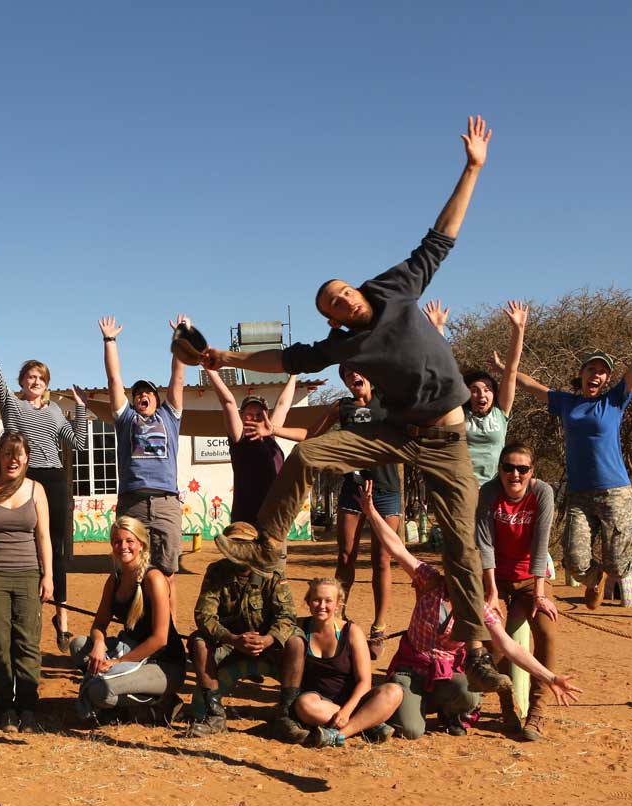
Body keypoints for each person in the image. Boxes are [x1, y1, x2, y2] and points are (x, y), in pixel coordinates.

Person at [200, 116, 523, 690]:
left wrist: (472, 168)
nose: (344, 299)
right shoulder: (341, 344)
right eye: (334, 302)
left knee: (460, 545)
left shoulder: (395, 287)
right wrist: (228, 358)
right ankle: (268, 543)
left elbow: (440, 239)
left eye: (343, 290)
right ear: (332, 319)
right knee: (309, 454)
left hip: (447, 438)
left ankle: (474, 648)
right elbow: (289, 359)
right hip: (397, 432)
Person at [355, 482, 580, 739]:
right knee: (411, 730)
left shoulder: (478, 606)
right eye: (456, 570)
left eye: (467, 573)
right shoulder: (429, 581)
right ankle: (401, 705)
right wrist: (371, 512)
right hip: (413, 668)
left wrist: (550, 678)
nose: (460, 578)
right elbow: (396, 547)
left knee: (469, 694)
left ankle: (447, 711)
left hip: (446, 673)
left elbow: (510, 647)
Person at [512, 291, 632, 609]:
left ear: (606, 379)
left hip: (614, 491)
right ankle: (596, 579)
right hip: (579, 494)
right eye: (591, 369)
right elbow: (529, 385)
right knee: (575, 563)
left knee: (620, 566)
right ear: (582, 373)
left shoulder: (614, 401)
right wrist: (505, 368)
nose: (596, 374)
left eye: (602, 371)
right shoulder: (566, 402)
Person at [0, 298, 89, 647]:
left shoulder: (55, 412)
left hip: (54, 479)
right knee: (27, 543)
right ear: (21, 381)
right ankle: (27, 605)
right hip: (22, 480)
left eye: (41, 378)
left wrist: (80, 408)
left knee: (56, 548)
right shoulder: (12, 404)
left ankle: (61, 615)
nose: (36, 381)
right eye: (30, 376)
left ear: (47, 384)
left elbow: (78, 443)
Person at [186, 522, 306, 740]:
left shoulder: (273, 573)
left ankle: (286, 716)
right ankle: (214, 716)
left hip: (268, 646)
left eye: (245, 545)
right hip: (229, 644)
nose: (239, 551)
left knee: (296, 641)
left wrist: (269, 639)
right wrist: (232, 639)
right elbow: (204, 616)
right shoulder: (217, 572)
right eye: (234, 545)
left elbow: (287, 616)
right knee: (199, 642)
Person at [0, 432, 54, 733]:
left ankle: (27, 707)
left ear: (27, 458)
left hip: (29, 573)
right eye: (7, 453)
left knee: (27, 643)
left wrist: (48, 575)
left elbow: (43, 535)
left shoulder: (36, 490)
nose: (12, 460)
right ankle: (5, 708)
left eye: (18, 454)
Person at [476, 442, 557, 741]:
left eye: (522, 468)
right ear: (499, 469)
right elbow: (484, 544)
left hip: (530, 579)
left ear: (531, 471)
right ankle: (507, 705)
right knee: (495, 638)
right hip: (495, 577)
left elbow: (541, 543)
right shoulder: (488, 492)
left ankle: (537, 711)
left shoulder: (542, 493)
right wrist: (491, 592)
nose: (515, 474)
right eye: (508, 467)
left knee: (547, 632)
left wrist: (539, 593)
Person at [69, 517, 187, 723]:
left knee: (100, 691)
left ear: (141, 544)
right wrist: (99, 644)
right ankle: (129, 702)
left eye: (129, 541)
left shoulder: (154, 579)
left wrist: (118, 662)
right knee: (79, 645)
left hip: (163, 663)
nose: (123, 546)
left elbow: (160, 639)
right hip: (130, 650)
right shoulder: (115, 579)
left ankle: (159, 703)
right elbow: (99, 624)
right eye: (117, 541)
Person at [101, 314, 187, 583]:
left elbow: (178, 377)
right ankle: (133, 613)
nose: (142, 395)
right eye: (138, 393)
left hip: (166, 503)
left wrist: (181, 337)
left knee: (167, 574)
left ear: (157, 400)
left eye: (148, 392)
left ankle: (167, 614)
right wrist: (109, 340)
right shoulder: (126, 419)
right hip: (132, 503)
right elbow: (114, 379)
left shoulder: (169, 417)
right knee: (130, 573)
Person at [328, 364, 405, 656]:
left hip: (386, 491)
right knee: (345, 556)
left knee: (382, 560)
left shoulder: (388, 399)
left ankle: (379, 628)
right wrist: (274, 428)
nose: (353, 376)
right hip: (354, 490)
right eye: (347, 374)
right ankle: (338, 618)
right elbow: (310, 432)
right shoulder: (342, 407)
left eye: (358, 370)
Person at [290, 577, 405, 748]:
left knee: (394, 691)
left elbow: (364, 682)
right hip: (320, 704)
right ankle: (368, 723)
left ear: (338, 604)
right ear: (308, 601)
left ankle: (339, 735)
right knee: (304, 704)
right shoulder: (299, 628)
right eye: (316, 600)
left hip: (354, 701)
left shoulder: (351, 632)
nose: (322, 606)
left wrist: (346, 712)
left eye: (328, 601)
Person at [425, 299, 526, 486]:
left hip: (494, 490)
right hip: (462, 487)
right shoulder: (458, 414)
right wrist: (438, 328)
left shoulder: (500, 412)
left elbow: (511, 371)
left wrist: (518, 330)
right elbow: (447, 372)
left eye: (487, 390)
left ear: (494, 394)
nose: (482, 395)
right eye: (475, 390)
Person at [199, 368, 304, 527]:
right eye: (249, 413)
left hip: (273, 515)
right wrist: (210, 370)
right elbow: (228, 402)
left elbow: (283, 405)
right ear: (241, 415)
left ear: (266, 415)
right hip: (246, 516)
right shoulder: (239, 438)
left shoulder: (270, 434)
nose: (254, 417)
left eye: (259, 414)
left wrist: (294, 374)